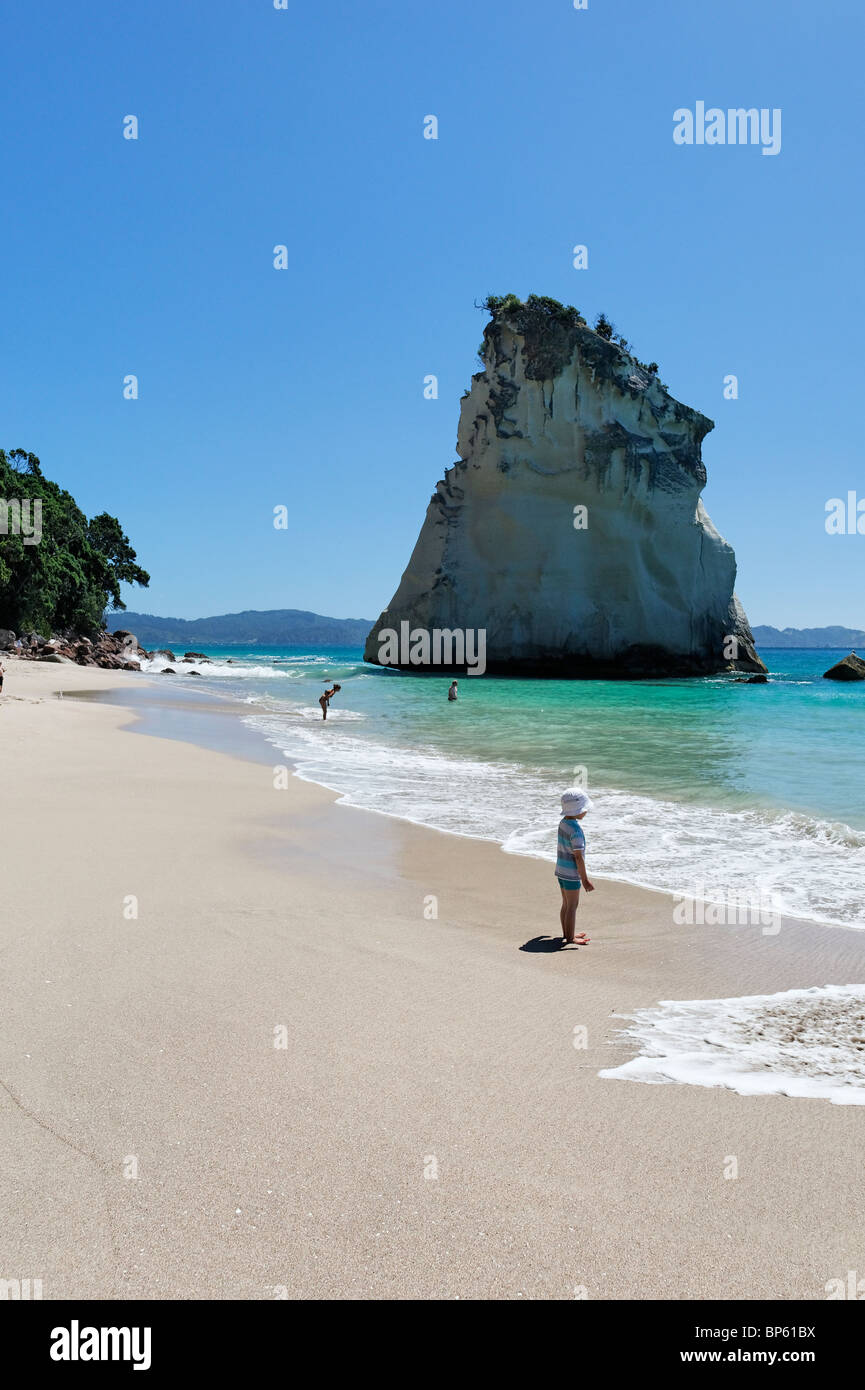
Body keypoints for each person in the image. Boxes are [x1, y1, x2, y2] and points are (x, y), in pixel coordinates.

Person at [555, 789, 594, 945]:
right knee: (572, 906)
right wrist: (584, 879)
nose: (586, 812)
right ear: (578, 810)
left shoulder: (563, 823)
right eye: (584, 809)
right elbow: (578, 857)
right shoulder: (576, 831)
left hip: (561, 871)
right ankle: (570, 938)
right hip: (571, 874)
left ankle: (567, 933)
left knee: (566, 904)